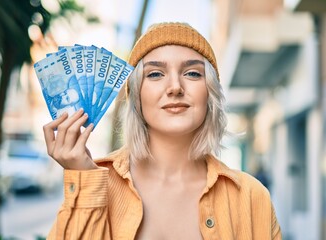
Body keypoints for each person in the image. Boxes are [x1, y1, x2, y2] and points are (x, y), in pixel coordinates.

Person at [43, 22, 282, 239]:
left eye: (192, 73)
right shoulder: (93, 180)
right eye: (155, 74)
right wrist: (84, 181)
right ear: (136, 95)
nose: (175, 87)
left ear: (210, 93)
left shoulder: (252, 197)